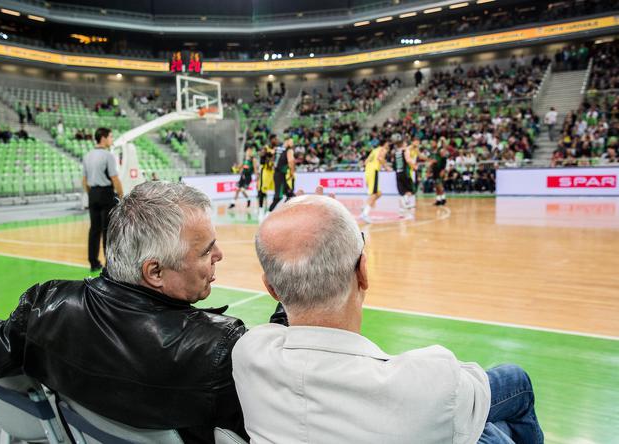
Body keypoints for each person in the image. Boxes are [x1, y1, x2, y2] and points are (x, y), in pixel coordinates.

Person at [0, 181, 259, 443]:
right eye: (206, 250)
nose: (219, 254)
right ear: (155, 272)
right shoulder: (220, 349)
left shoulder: (47, 305)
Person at [233, 194, 544, 444]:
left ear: (271, 289)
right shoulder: (430, 379)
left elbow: (277, 326)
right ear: (363, 272)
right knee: (513, 389)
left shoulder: (248, 353)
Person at [82, 128, 123, 272]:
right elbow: (114, 178)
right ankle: (109, 264)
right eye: (111, 136)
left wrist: (91, 193)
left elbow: (84, 180)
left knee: (94, 229)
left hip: (93, 194)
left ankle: (93, 262)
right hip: (106, 193)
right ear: (103, 138)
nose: (112, 139)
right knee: (108, 230)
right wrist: (121, 196)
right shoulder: (108, 156)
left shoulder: (87, 156)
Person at [360, 140, 390, 224]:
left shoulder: (374, 150)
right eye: (388, 143)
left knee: (378, 193)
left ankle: (364, 206)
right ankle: (364, 214)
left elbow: (366, 162)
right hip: (374, 171)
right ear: (385, 143)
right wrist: (387, 167)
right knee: (374, 194)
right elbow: (380, 158)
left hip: (368, 171)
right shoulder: (383, 149)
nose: (389, 145)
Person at [395, 138, 420, 218]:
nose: (406, 144)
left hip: (398, 173)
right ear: (403, 144)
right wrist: (414, 166)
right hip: (405, 172)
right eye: (405, 143)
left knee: (402, 193)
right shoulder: (405, 151)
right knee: (410, 190)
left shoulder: (397, 152)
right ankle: (406, 203)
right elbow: (408, 160)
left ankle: (401, 212)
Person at [268, 138, 295, 212]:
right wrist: (292, 173)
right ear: (287, 141)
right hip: (282, 175)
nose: (292, 143)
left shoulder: (277, 149)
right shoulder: (289, 150)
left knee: (291, 195)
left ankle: (285, 212)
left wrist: (274, 166)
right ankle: (267, 215)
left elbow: (271, 159)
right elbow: (291, 162)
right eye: (291, 141)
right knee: (278, 197)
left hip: (277, 174)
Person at [257, 134, 277, 212]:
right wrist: (268, 155)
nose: (276, 141)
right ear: (271, 140)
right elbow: (262, 159)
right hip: (265, 170)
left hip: (272, 171)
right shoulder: (266, 148)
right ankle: (261, 210)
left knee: (273, 189)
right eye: (275, 139)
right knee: (262, 190)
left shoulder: (275, 149)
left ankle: (269, 209)